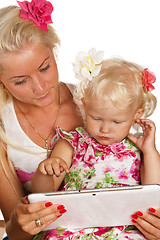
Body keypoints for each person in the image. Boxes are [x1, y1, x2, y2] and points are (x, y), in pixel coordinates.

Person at [0, 0, 159, 239]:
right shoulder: (5, 126)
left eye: (45, 68)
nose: (41, 87)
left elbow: (146, 185)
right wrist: (16, 225)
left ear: (54, 53)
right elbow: (18, 231)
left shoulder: (98, 101)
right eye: (21, 81)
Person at [32, 49, 160, 239]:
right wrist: (46, 171)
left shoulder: (137, 149)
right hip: (75, 226)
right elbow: (42, 193)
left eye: (116, 122)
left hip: (123, 226)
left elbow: (153, 192)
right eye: (96, 118)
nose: (105, 129)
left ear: (136, 116)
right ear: (85, 106)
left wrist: (150, 150)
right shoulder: (73, 142)